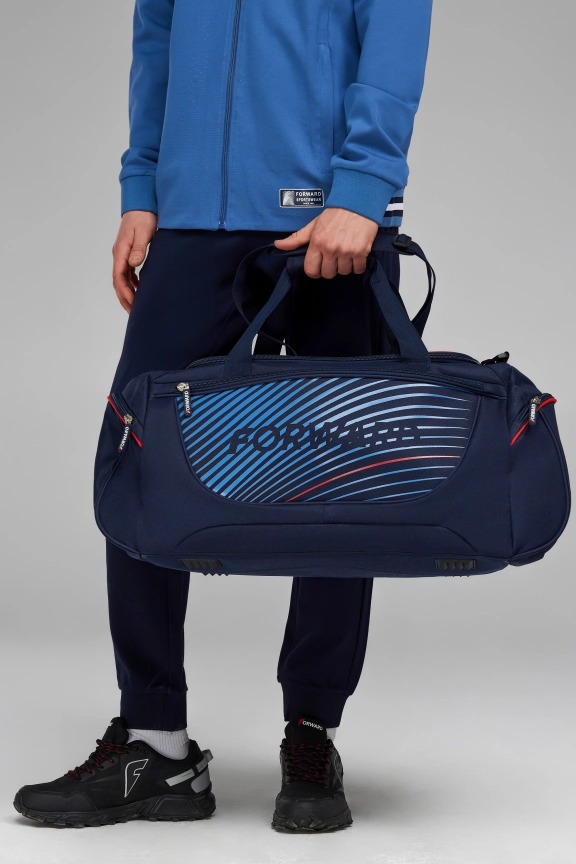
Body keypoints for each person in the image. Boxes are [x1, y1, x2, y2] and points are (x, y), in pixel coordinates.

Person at [13, 0, 433, 833]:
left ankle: (312, 733)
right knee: (139, 461)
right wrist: (143, 184)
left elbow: (395, 29)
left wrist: (363, 187)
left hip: (328, 219)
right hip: (191, 220)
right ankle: (155, 744)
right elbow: (158, 35)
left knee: (334, 482)